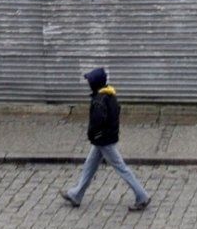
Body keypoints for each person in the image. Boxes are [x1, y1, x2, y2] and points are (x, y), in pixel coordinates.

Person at [60, 67, 151, 211]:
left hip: (104, 140)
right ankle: (76, 194)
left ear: (94, 84)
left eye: (89, 81)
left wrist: (93, 135)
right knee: (90, 165)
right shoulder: (110, 95)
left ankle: (142, 196)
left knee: (121, 168)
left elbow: (97, 123)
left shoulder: (99, 101)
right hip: (105, 138)